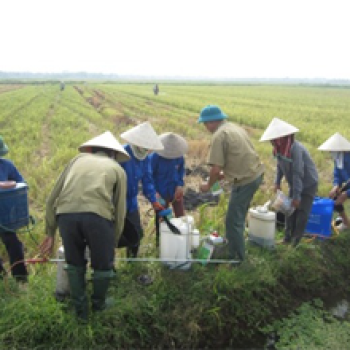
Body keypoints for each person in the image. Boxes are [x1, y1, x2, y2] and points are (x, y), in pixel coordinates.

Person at [39, 131, 129, 320]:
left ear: (92, 150)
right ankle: (98, 305)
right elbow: (120, 211)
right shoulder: (117, 169)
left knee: (74, 262)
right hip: (97, 217)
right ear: (113, 154)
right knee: (102, 265)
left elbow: (51, 199)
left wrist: (50, 232)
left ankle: (81, 311)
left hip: (66, 216)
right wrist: (113, 241)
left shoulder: (76, 160)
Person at [198, 105, 264, 262]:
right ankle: (233, 246)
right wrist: (224, 175)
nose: (205, 127)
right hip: (255, 174)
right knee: (237, 217)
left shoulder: (219, 135)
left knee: (233, 221)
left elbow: (215, 168)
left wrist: (208, 185)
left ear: (212, 122)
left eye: (206, 123)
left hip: (245, 181)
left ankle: (237, 259)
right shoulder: (233, 127)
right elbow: (237, 155)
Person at [260, 117, 318, 246]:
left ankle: (296, 242)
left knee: (302, 211)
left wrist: (297, 196)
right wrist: (277, 182)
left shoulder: (295, 149)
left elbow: (298, 173)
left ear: (280, 138)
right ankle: (287, 238)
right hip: (295, 182)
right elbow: (280, 166)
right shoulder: (279, 149)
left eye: (273, 140)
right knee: (289, 209)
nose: (272, 142)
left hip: (308, 182)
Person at [120, 122, 164, 258]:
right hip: (116, 202)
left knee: (136, 235)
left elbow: (147, 180)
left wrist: (154, 200)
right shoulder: (121, 154)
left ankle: (131, 262)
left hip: (131, 203)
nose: (146, 150)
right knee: (111, 235)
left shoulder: (145, 159)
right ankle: (108, 266)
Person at [0, 136, 29, 282]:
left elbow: (21, 184)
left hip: (5, 215)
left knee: (14, 244)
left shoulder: (7, 165)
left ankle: (21, 278)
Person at [318, 132, 350, 231]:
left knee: (341, 198)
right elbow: (337, 174)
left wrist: (346, 193)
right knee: (335, 198)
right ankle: (345, 222)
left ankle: (347, 224)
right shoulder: (338, 158)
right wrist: (336, 186)